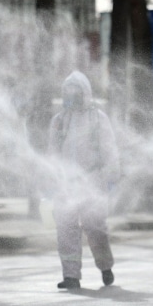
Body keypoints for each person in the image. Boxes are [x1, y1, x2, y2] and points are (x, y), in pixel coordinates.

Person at [47, 71, 120, 290]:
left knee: (95, 228)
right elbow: (52, 154)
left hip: (93, 181)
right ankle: (71, 276)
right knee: (66, 229)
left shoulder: (97, 118)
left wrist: (111, 177)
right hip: (67, 185)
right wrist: (52, 180)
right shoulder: (59, 121)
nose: (71, 96)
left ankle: (105, 267)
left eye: (75, 91)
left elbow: (110, 150)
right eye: (68, 91)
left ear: (85, 93)